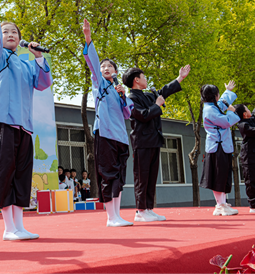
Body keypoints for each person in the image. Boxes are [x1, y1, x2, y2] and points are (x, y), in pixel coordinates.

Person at [0, 0, 53, 241]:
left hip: (25, 126)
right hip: (5, 123)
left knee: (22, 175)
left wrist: (38, 57)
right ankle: (7, 228)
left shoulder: (26, 64)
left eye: (14, 32)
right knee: (5, 173)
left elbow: (43, 83)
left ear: (21, 39)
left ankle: (20, 226)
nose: (10, 35)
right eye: (6, 31)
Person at [122, 65, 191, 222]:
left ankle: (148, 209)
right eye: (144, 77)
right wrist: (157, 105)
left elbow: (164, 91)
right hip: (142, 141)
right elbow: (143, 115)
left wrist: (180, 78)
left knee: (152, 176)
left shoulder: (147, 95)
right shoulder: (131, 99)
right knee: (142, 176)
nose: (146, 79)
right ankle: (140, 211)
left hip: (154, 140)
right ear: (136, 80)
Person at [82, 19, 133, 227]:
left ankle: (118, 215)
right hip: (104, 133)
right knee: (108, 174)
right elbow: (92, 63)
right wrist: (88, 38)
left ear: (115, 71)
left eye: (109, 66)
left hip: (121, 136)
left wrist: (123, 95)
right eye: (103, 66)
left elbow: (128, 113)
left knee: (119, 175)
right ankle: (111, 217)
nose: (105, 68)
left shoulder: (118, 89)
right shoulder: (99, 83)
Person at [199, 81, 240, 216]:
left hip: (220, 146)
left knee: (222, 175)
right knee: (218, 176)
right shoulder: (210, 109)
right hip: (218, 146)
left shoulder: (212, 106)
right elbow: (226, 121)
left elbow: (222, 103)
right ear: (214, 96)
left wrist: (228, 91)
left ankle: (221, 203)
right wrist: (234, 112)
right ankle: (220, 204)